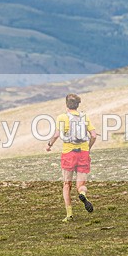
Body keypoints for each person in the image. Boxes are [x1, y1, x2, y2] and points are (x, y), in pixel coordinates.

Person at [46, 93, 97, 222]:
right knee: (81, 184)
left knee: (66, 184)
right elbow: (94, 135)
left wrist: (49, 145)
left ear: (66, 104)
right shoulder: (84, 117)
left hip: (68, 154)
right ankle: (82, 194)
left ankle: (69, 214)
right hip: (83, 153)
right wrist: (88, 148)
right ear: (78, 105)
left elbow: (56, 135)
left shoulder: (62, 117)